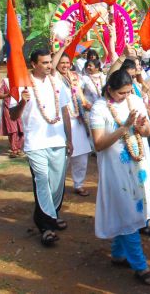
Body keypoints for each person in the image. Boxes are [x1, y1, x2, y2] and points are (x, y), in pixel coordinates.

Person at [88, 69, 150, 286]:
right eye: (121, 93)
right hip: (114, 169)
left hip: (137, 166)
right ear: (109, 89)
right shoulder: (99, 108)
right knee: (128, 213)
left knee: (132, 210)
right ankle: (141, 267)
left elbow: (147, 132)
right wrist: (125, 128)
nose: (126, 96)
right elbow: (99, 144)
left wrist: (141, 127)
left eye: (129, 92)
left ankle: (118, 255)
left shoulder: (135, 101)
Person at [9, 49, 73, 247]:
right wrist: (22, 102)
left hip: (57, 141)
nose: (49, 66)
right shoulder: (22, 84)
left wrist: (69, 139)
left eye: (49, 62)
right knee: (42, 182)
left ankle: (52, 215)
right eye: (44, 63)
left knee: (56, 183)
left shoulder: (57, 82)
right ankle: (46, 227)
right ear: (33, 64)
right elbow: (13, 116)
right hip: (35, 143)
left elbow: (65, 112)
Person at [56, 54, 92, 196]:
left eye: (67, 62)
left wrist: (85, 104)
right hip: (60, 122)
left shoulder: (75, 77)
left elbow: (81, 94)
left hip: (78, 119)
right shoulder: (53, 78)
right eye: (62, 63)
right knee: (63, 157)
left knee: (81, 155)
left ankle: (79, 184)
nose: (65, 65)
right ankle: (58, 185)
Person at [0, 76, 24, 158]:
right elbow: (0, 95)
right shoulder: (5, 82)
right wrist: (8, 94)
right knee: (13, 130)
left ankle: (18, 147)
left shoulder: (21, 81)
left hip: (20, 108)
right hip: (8, 109)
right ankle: (14, 149)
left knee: (21, 130)